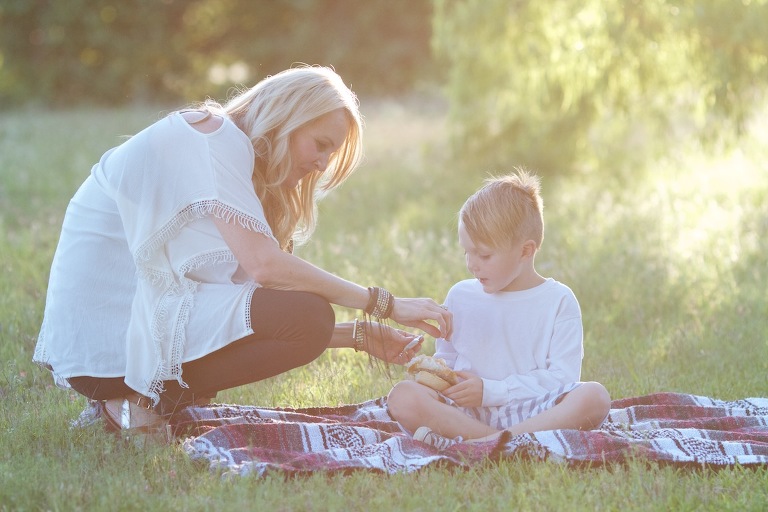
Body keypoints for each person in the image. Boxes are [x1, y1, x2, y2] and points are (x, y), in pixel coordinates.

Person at [33, 65, 452, 438]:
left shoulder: (228, 150)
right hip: (103, 338)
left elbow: (258, 318)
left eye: (331, 153)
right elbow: (266, 268)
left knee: (305, 317)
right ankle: (136, 402)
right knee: (308, 315)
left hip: (115, 336)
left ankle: (135, 402)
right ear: (288, 117)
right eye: (320, 144)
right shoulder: (212, 138)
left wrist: (359, 336)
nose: (322, 164)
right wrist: (386, 304)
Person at [387, 169, 610, 449]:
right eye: (466, 252)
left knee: (594, 397)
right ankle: (503, 444)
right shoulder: (461, 295)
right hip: (466, 413)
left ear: (525, 251)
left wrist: (492, 391)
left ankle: (486, 443)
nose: (472, 264)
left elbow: (563, 379)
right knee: (403, 396)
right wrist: (432, 372)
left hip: (531, 411)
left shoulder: (558, 301)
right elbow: (449, 363)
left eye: (484, 255)